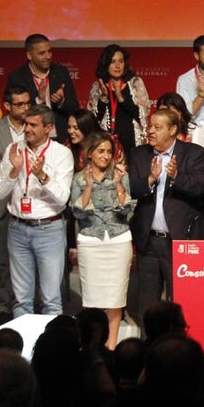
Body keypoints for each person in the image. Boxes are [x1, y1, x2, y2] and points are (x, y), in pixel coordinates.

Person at [126, 108, 204, 322]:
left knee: (181, 302)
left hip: (179, 241)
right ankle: (148, 342)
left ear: (172, 130)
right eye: (150, 126)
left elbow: (200, 188)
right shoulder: (139, 154)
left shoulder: (193, 153)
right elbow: (130, 188)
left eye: (157, 127)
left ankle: (178, 341)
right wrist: (150, 179)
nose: (150, 131)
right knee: (147, 305)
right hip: (148, 242)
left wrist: (176, 176)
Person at [0, 105, 74, 317]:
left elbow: (63, 198)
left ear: (48, 128)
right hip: (17, 228)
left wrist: (42, 176)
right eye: (25, 124)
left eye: (33, 125)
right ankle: (24, 339)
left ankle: (50, 339)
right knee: (21, 300)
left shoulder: (61, 154)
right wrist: (15, 170)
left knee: (51, 300)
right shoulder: (13, 150)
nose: (27, 129)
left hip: (49, 230)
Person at [70, 133, 133, 349]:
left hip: (119, 238)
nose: (106, 156)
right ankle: (94, 347)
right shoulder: (79, 178)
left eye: (109, 151)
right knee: (92, 298)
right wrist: (88, 187)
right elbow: (77, 213)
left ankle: (112, 347)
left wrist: (119, 185)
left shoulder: (120, 175)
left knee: (116, 297)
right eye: (101, 151)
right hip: (90, 240)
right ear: (90, 153)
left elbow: (127, 211)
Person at [0, 86, 31, 320]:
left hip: (29, 199)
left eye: (27, 103)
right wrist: (13, 165)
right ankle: (4, 307)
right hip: (2, 200)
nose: (25, 108)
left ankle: (27, 303)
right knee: (2, 259)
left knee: (27, 259)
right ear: (7, 106)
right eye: (20, 104)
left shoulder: (35, 126)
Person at [6, 33, 79, 141]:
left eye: (49, 51)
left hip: (60, 138)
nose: (48, 56)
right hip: (32, 139)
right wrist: (39, 100)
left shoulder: (61, 73)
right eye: (42, 53)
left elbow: (75, 107)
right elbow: (17, 113)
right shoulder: (17, 78)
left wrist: (61, 102)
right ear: (29, 55)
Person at [86, 44, 151, 157]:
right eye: (113, 62)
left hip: (133, 143)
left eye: (120, 61)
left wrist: (122, 99)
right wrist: (103, 98)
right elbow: (93, 121)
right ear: (106, 64)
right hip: (107, 147)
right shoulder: (98, 87)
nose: (117, 66)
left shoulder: (135, 83)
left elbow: (143, 115)